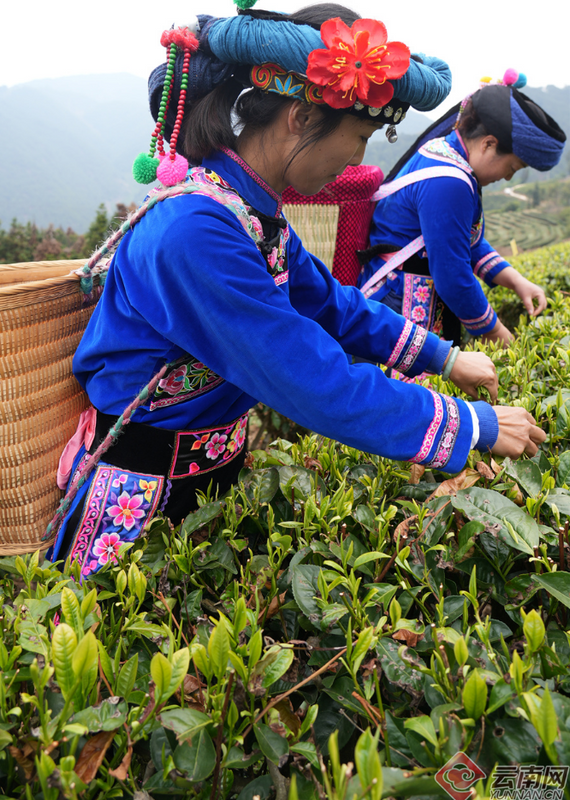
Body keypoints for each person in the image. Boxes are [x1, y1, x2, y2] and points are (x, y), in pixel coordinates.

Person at [46, 5, 545, 576]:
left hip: (206, 480)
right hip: (140, 497)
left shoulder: (255, 216)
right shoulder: (195, 232)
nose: (362, 161)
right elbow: (309, 378)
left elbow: (333, 305)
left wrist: (445, 357)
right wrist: (471, 425)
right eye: (359, 137)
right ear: (302, 118)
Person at [359, 71, 566, 346]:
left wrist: (517, 282)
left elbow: (464, 241)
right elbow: (453, 276)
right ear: (489, 144)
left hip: (391, 297)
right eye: (512, 167)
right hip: (401, 306)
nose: (507, 178)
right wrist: (496, 332)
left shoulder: (442, 153)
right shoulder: (449, 180)